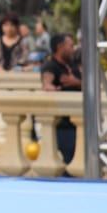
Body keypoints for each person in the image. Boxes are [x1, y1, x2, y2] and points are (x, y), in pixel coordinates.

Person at [40, 33, 81, 164]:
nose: (73, 48)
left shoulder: (72, 64)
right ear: (60, 47)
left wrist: (75, 82)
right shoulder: (51, 65)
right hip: (63, 124)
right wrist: (54, 89)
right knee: (68, 158)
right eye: (70, 45)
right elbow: (47, 85)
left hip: (78, 119)